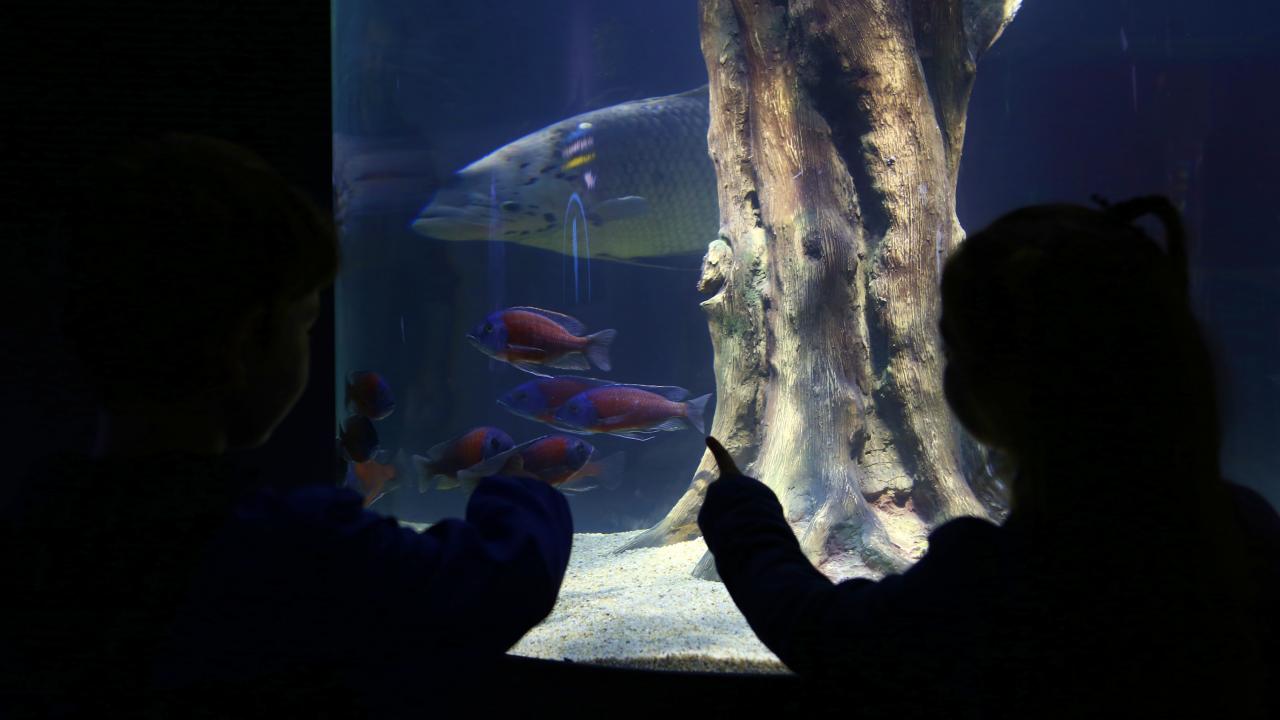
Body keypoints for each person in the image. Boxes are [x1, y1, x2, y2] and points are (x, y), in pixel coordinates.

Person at [0, 134, 573, 717]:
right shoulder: (285, 543)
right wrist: (520, 489)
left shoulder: (41, 517)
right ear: (246, 344)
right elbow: (500, 582)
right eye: (304, 321)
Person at [698, 197, 1277, 718]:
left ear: (989, 396)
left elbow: (825, 634)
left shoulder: (994, 585)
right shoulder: (1246, 530)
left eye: (954, 348)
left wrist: (745, 519)